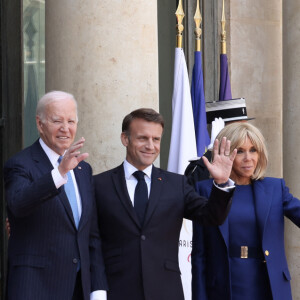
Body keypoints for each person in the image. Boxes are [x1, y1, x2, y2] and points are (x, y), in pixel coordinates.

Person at [93, 108, 237, 300]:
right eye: (142, 138)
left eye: (156, 139)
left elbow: (212, 216)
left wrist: (220, 184)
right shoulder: (98, 185)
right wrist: (97, 291)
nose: (150, 146)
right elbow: (91, 243)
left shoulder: (177, 184)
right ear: (125, 139)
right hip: (116, 290)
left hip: (165, 290)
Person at [4, 91, 108, 300]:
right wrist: (59, 173)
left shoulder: (83, 170)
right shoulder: (20, 164)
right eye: (57, 121)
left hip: (80, 289)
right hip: (36, 288)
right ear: (40, 124)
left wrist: (98, 289)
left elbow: (91, 235)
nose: (65, 128)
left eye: (71, 121)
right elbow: (18, 204)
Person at [192, 122, 300, 300]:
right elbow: (199, 255)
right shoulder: (205, 190)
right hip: (223, 286)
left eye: (253, 150)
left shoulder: (274, 188)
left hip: (269, 285)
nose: (248, 158)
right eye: (239, 151)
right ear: (224, 153)